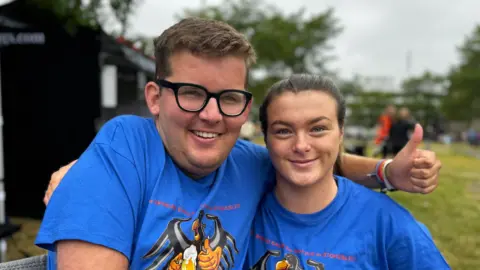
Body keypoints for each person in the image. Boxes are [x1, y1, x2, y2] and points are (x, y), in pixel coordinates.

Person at [36, 18, 442, 270]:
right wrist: (88, 174)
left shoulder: (244, 164)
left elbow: (303, 157)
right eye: (192, 93)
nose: (211, 115)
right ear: (155, 98)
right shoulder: (124, 150)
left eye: (229, 97)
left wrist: (386, 172)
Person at [246, 74, 449, 269]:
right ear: (265, 137)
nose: (301, 145)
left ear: (341, 132)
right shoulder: (244, 212)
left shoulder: (388, 224)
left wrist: (385, 172)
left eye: (317, 129)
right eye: (283, 131)